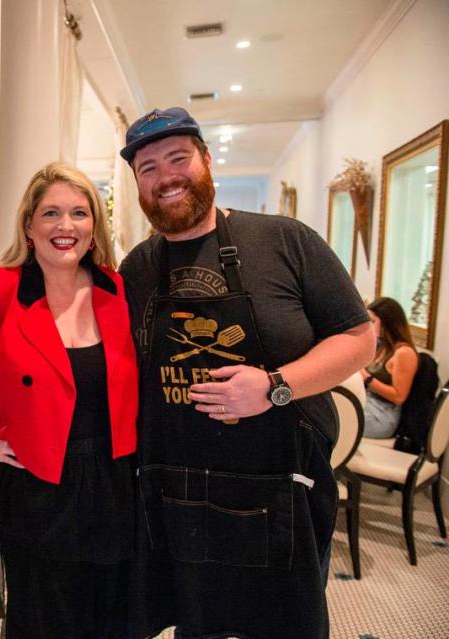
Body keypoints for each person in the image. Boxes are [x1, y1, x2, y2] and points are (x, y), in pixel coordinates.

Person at [117, 107, 375, 639]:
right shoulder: (138, 268)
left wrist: (276, 387)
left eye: (178, 158)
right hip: (179, 493)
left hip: (281, 491)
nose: (165, 176)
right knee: (197, 627)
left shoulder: (286, 241)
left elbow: (360, 339)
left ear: (207, 161)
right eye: (147, 168)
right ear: (138, 185)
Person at [0, 162, 139, 639]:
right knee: (45, 618)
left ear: (94, 225)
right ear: (28, 226)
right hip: (38, 480)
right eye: (51, 213)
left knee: (112, 616)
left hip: (116, 478)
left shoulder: (116, 290)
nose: (66, 226)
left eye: (80, 213)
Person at [361, 297, 419, 438]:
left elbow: (398, 397)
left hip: (382, 416)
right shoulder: (382, 346)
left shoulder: (404, 353)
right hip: (367, 403)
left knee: (335, 419)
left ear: (388, 324)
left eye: (373, 322)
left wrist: (367, 379)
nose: (369, 325)